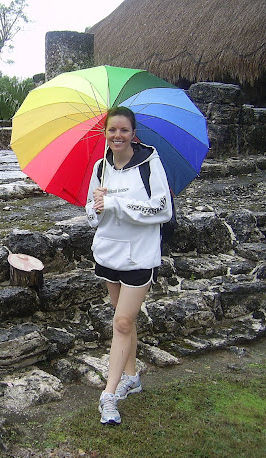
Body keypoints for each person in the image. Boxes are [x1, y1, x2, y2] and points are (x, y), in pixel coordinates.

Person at [85, 106, 173, 425]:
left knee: (121, 322)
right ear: (105, 133)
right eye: (112, 130)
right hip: (109, 253)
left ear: (133, 133)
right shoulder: (100, 166)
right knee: (125, 321)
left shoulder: (149, 163)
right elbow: (91, 214)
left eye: (124, 130)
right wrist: (97, 207)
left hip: (138, 254)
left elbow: (162, 209)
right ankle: (132, 376)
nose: (117, 135)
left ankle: (109, 395)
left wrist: (115, 203)